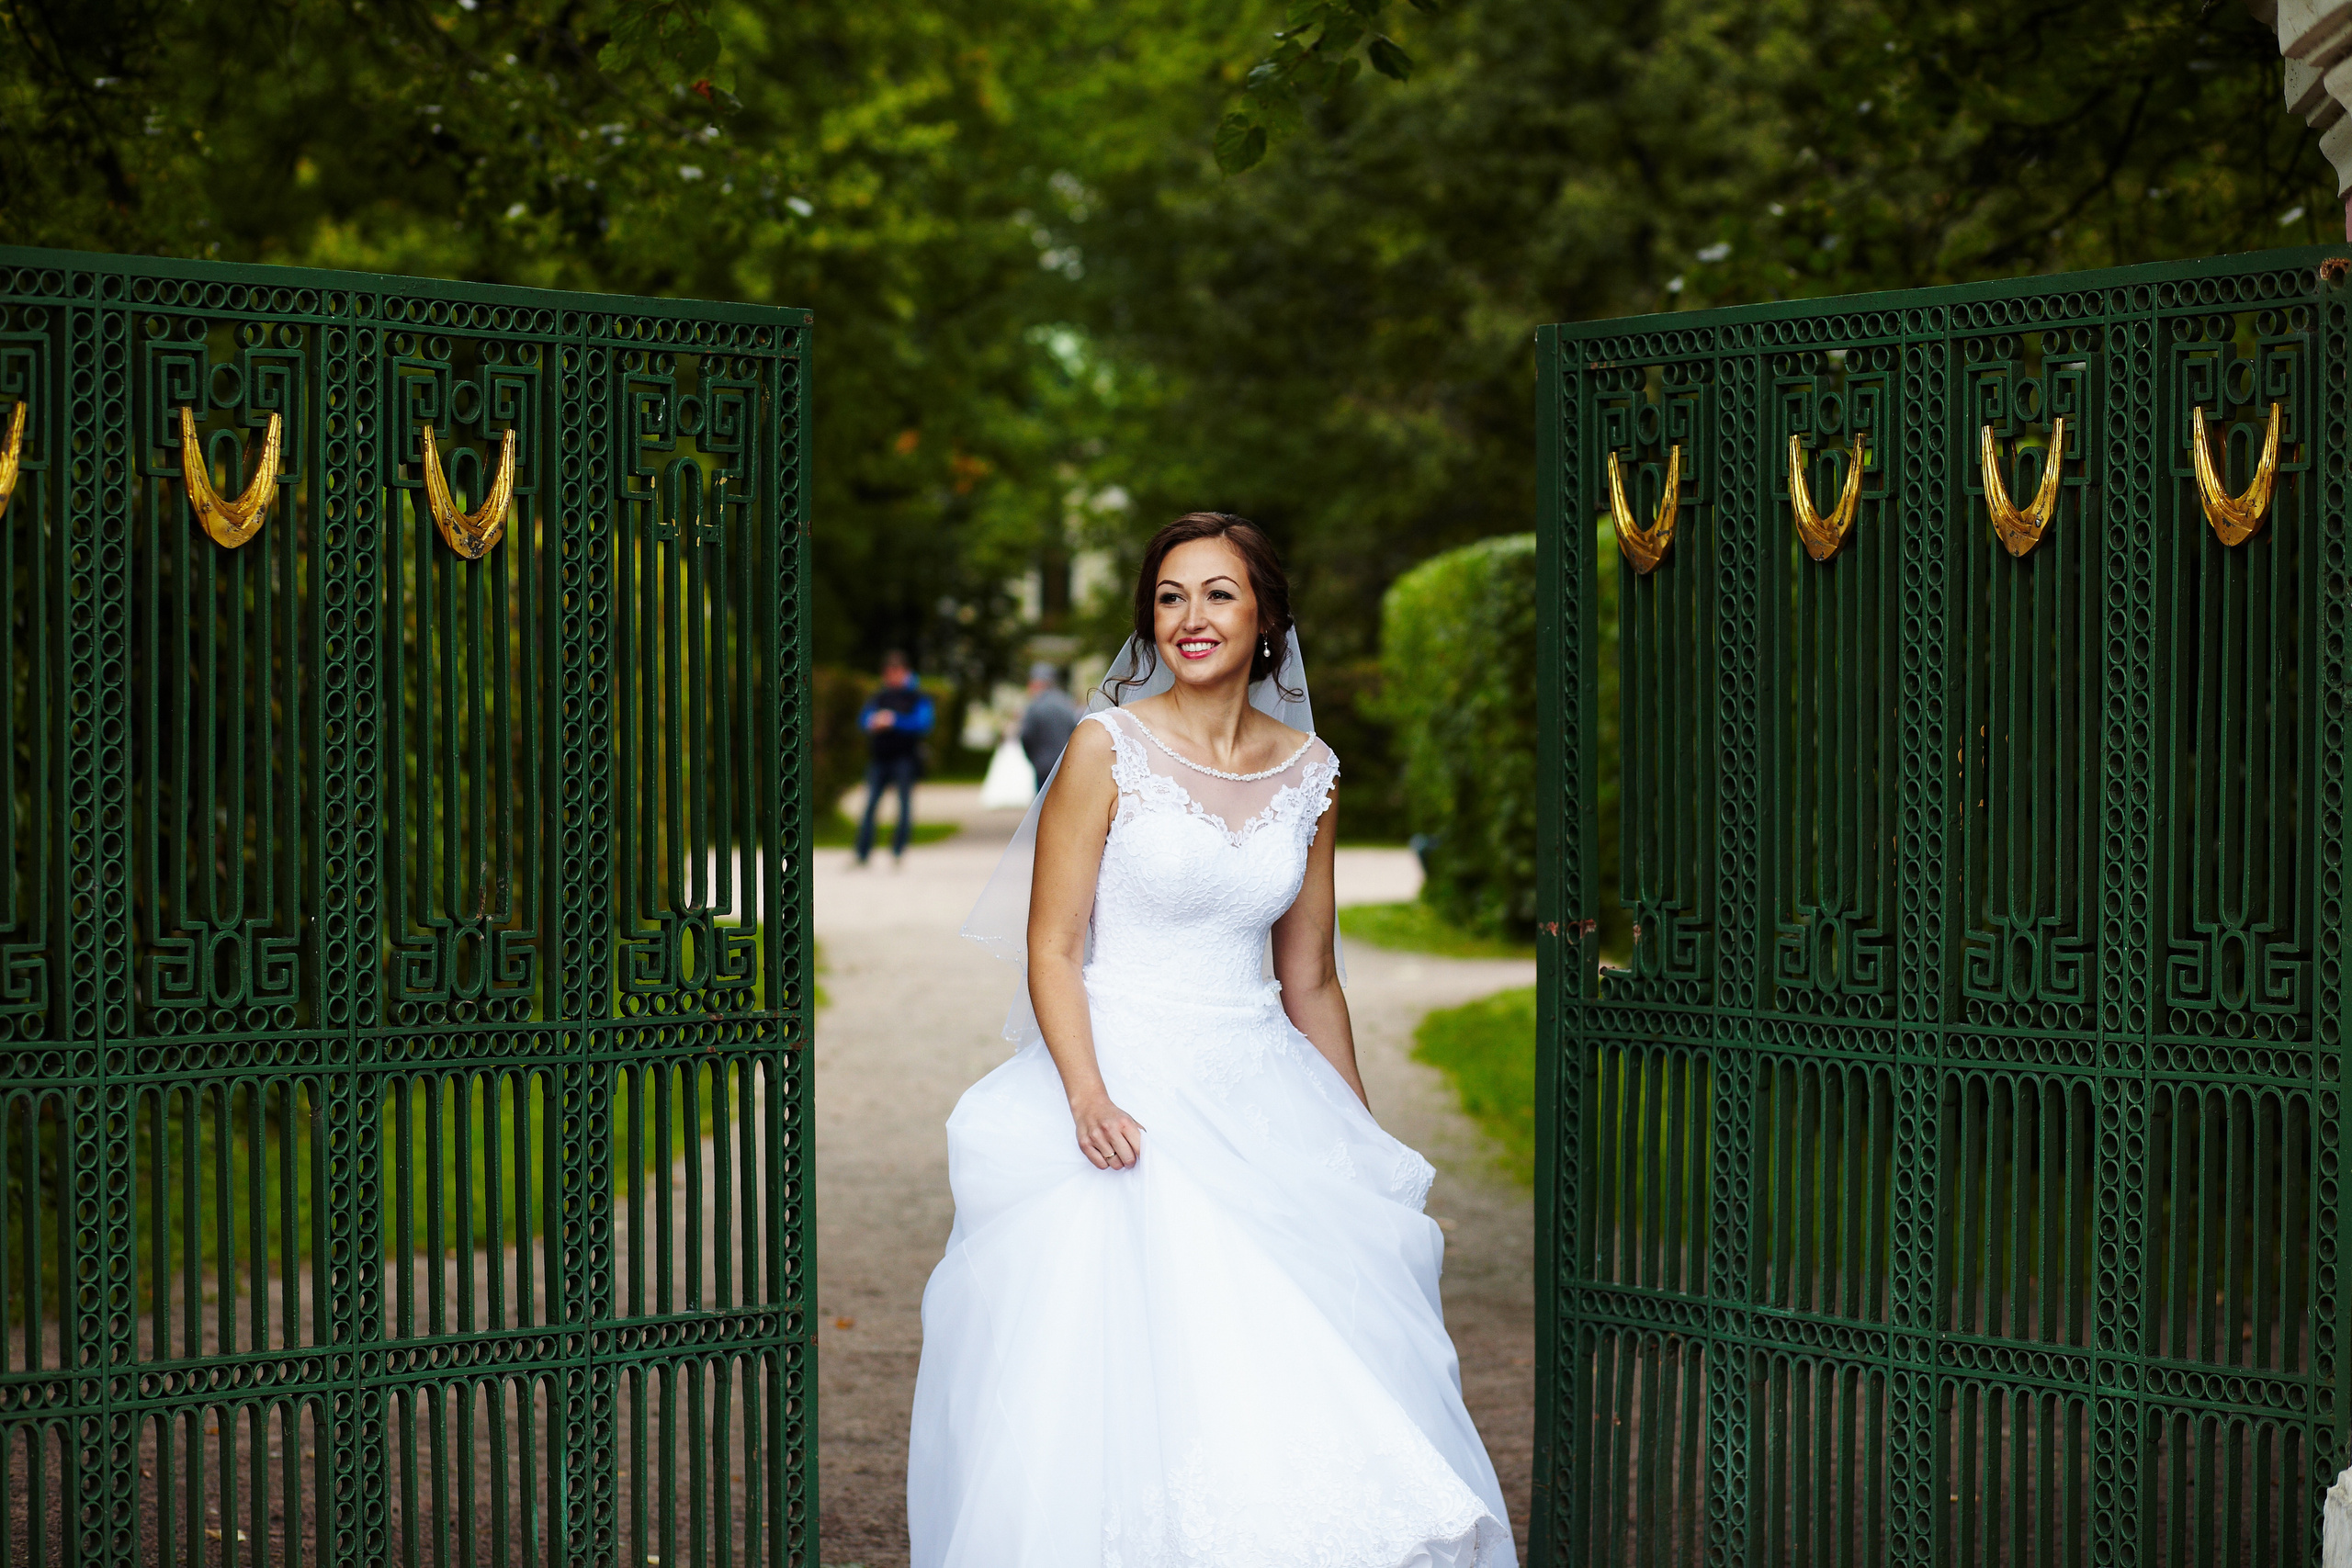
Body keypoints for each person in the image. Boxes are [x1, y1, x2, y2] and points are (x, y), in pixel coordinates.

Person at [908, 513, 1512, 1566]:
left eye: (1219, 594)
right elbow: (1051, 947)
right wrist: (1088, 1095)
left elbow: (1310, 974)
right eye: (1171, 596)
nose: (1192, 618)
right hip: (1125, 1082)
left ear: (1267, 617)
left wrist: (1354, 1137)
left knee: (1296, 1371)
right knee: (1145, 1365)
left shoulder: (1311, 772)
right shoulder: (1106, 749)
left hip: (1260, 1085)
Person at [855, 650, 933, 866]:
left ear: (904, 672)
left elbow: (923, 723)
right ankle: (863, 852)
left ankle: (898, 850)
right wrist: (874, 722)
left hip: (904, 758)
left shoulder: (918, 697)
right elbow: (863, 720)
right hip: (880, 758)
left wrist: (894, 721)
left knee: (904, 806)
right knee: (870, 805)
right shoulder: (880, 696)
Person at [1015, 660, 1080, 782]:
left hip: (1042, 764)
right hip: (1065, 764)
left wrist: (1033, 758)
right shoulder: (1067, 702)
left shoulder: (1035, 705)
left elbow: (1026, 736)